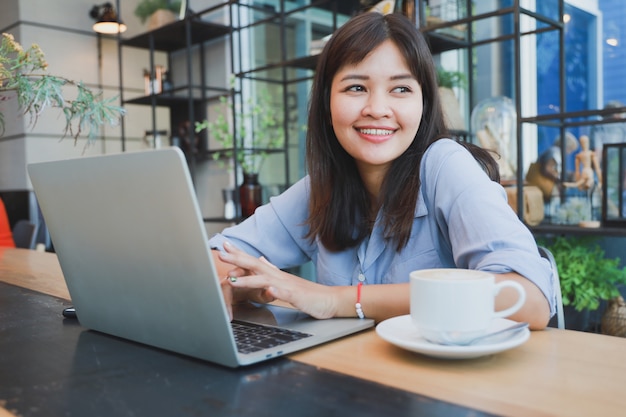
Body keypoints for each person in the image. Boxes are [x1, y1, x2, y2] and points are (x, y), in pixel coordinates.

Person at [208, 12, 554, 330]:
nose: (377, 109)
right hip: (355, 382)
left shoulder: (444, 165)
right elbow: (215, 258)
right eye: (356, 88)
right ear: (328, 104)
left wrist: (337, 300)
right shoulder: (322, 188)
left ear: (424, 103)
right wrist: (242, 284)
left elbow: (528, 298)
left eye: (400, 89)